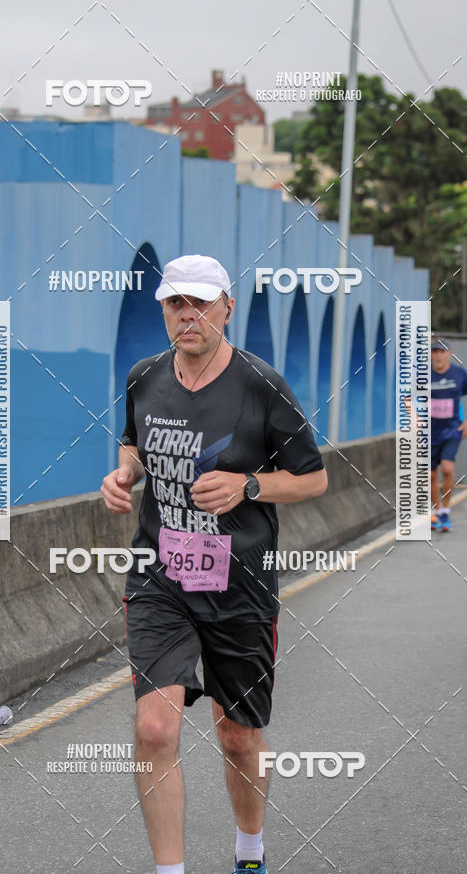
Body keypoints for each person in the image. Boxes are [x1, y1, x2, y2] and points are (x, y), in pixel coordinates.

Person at [100, 254, 327, 874]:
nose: (189, 315)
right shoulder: (144, 376)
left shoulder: (261, 383)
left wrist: (247, 487)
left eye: (201, 302)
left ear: (228, 307)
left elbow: (314, 479)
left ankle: (249, 851)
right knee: (153, 728)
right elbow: (133, 443)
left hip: (239, 583)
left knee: (238, 734)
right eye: (177, 303)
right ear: (164, 311)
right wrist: (123, 475)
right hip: (160, 577)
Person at [430, 337, 467, 532]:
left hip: (452, 430)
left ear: (449, 354)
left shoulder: (459, 374)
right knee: (429, 475)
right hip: (429, 433)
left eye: (442, 352)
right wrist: (414, 417)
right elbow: (408, 397)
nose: (438, 355)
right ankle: (437, 511)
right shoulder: (423, 375)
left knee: (448, 469)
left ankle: (446, 511)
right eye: (435, 352)